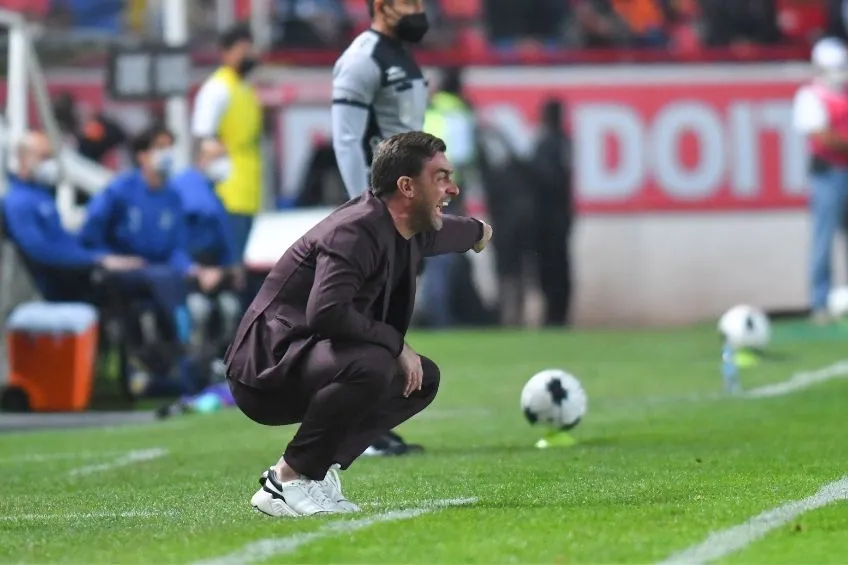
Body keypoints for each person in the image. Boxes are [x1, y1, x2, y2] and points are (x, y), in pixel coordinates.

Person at [224, 132, 493, 517]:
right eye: (440, 177)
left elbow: (448, 231)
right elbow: (326, 312)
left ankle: (316, 472)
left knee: (421, 380)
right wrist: (397, 344)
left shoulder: (407, 226)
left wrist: (478, 231)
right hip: (266, 367)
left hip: (309, 356)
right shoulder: (353, 231)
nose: (453, 187)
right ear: (406, 186)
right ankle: (285, 480)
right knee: (375, 364)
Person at [331, 0, 431, 456]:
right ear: (381, 6)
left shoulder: (400, 53)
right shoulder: (362, 58)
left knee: (391, 314)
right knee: (368, 316)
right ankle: (350, 425)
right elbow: (348, 139)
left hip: (406, 203)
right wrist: (363, 206)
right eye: (408, 1)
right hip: (381, 205)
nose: (417, 8)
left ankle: (371, 423)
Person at [3, 130, 143, 302]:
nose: (50, 164)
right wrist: (96, 260)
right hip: (57, 284)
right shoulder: (18, 202)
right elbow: (41, 251)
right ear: (24, 159)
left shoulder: (42, 195)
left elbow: (62, 241)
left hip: (72, 273)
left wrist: (103, 255)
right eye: (44, 157)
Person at [191, 22, 263, 260]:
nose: (249, 54)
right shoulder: (217, 89)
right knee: (229, 264)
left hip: (247, 191)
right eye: (243, 49)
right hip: (225, 193)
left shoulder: (245, 88)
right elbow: (203, 139)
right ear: (227, 52)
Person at [170, 138, 244, 363]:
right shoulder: (182, 189)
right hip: (188, 273)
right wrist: (194, 270)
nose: (224, 163)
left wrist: (230, 267)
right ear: (201, 159)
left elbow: (223, 238)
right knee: (198, 311)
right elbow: (172, 240)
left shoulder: (214, 194)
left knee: (231, 308)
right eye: (217, 157)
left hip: (216, 270)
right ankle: (192, 367)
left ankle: (219, 365)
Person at [792, 37, 848, 325]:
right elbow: (821, 136)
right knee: (823, 239)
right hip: (828, 174)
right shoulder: (810, 96)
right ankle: (820, 302)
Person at [529, 98, 574, 327]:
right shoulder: (565, 142)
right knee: (561, 267)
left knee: (550, 269)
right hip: (563, 216)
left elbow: (544, 179)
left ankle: (554, 316)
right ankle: (559, 314)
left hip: (547, 219)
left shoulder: (547, 144)